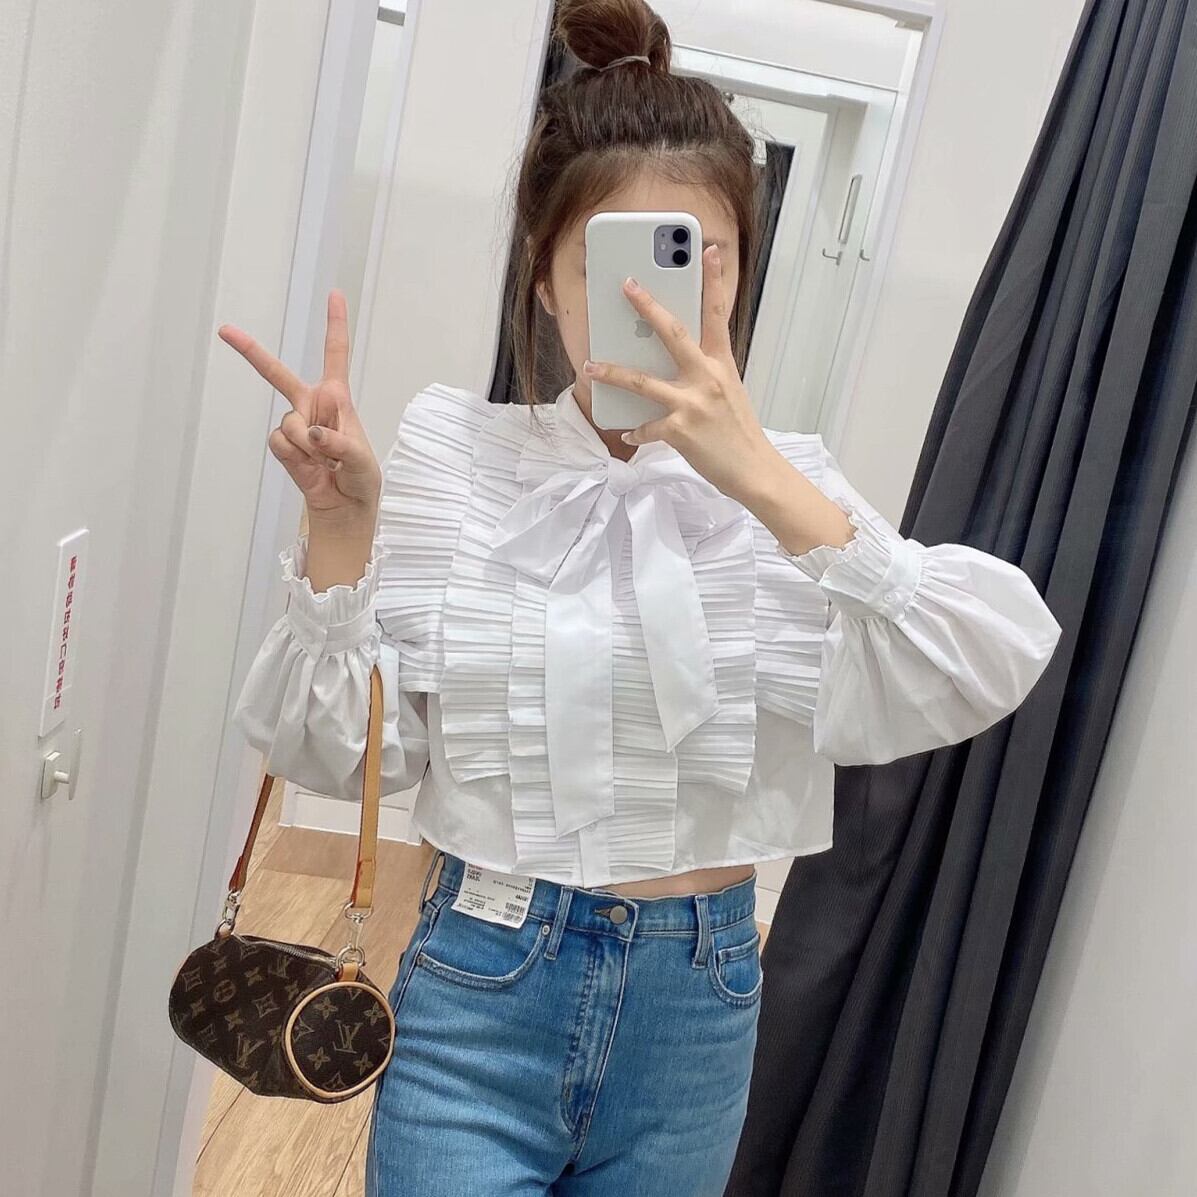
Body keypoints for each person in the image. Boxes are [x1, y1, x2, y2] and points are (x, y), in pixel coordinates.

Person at [218, 1, 1063, 1192]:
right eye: (612, 265)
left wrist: (760, 479)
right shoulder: (458, 457)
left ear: (742, 273)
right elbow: (335, 752)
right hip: (479, 993)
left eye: (699, 257)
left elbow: (993, 658)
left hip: (696, 1016)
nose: (660, 302)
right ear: (549, 279)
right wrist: (343, 530)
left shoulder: (795, 490)